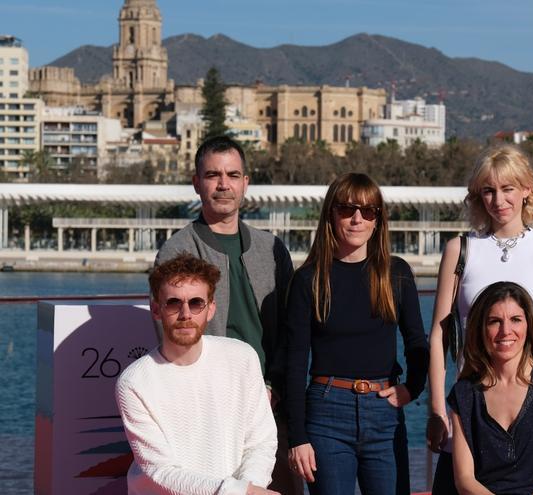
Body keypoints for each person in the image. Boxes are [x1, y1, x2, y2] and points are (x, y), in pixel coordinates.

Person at [427, 144, 533, 491]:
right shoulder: (460, 249)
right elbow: (439, 335)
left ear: (527, 190)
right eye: (489, 191)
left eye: (508, 188)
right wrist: (437, 409)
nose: (499, 200)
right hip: (471, 407)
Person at [155, 135, 296, 493]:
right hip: (206, 411)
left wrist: (272, 385)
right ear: (196, 182)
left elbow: (291, 329)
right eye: (213, 175)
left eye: (233, 175)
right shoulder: (178, 250)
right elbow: (174, 338)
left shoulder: (273, 249)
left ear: (245, 183)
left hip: (269, 405)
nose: (223, 184)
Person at [286, 173, 429, 495]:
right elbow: (295, 363)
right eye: (347, 209)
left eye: (368, 211)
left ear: (378, 220)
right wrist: (298, 438)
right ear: (331, 215)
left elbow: (417, 342)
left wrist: (414, 387)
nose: (357, 218)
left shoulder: (397, 273)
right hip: (325, 414)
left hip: (385, 411)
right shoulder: (308, 280)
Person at [116, 253, 279, 494]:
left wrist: (247, 487)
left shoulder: (242, 357)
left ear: (210, 309)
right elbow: (161, 471)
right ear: (156, 310)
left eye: (196, 303)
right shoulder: (134, 382)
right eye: (173, 303)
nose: (185, 314)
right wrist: (239, 492)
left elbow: (261, 442)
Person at [448, 281, 533, 495]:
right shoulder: (464, 394)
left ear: (529, 325)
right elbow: (465, 480)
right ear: (480, 328)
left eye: (515, 320)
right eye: (494, 321)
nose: (505, 331)